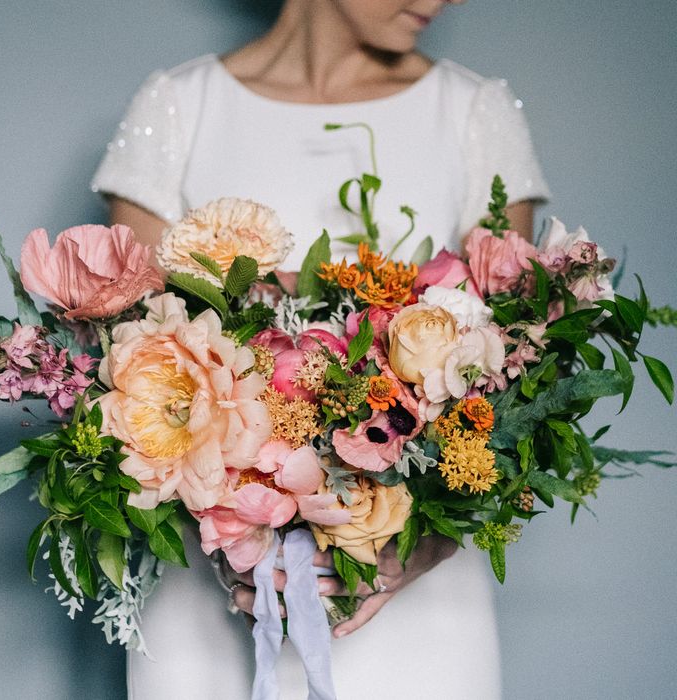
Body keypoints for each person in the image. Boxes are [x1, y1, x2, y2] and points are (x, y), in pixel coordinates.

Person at [91, 1, 550, 697]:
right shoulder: (181, 108)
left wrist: (419, 547)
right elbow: (129, 365)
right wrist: (235, 541)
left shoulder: (472, 112)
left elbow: (519, 376)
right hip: (213, 588)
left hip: (417, 602)